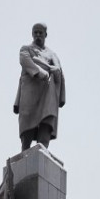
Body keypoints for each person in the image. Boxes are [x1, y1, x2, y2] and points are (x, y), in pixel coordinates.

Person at [14, 22, 66, 151]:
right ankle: (24, 152)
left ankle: (43, 151)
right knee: (27, 127)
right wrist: (42, 72)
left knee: (46, 124)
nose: (38, 35)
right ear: (32, 34)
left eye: (40, 32)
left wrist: (54, 72)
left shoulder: (52, 55)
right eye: (35, 32)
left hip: (48, 93)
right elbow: (27, 62)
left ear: (45, 35)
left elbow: (59, 71)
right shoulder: (26, 49)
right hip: (30, 93)